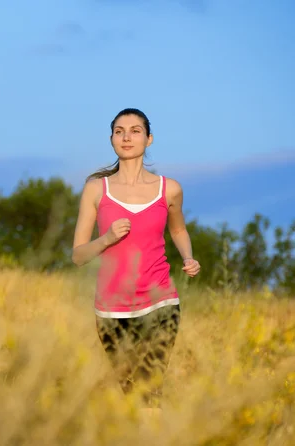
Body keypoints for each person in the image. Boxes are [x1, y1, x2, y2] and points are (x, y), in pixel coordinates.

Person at [71, 108, 200, 421]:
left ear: (149, 138)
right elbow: (78, 256)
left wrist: (188, 257)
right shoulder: (95, 190)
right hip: (112, 308)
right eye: (119, 131)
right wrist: (106, 240)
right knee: (131, 391)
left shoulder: (169, 189)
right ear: (112, 139)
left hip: (160, 301)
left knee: (149, 388)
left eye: (135, 130)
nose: (126, 137)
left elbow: (178, 230)